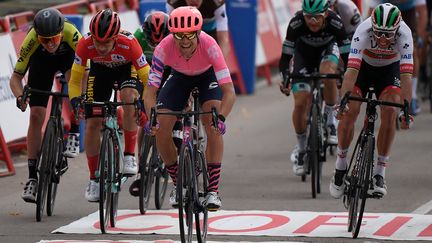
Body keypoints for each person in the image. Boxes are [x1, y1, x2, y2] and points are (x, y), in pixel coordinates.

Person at [144, 6, 236, 211]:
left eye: (189, 35)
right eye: (179, 36)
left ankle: (213, 190)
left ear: (198, 32)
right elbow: (150, 91)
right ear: (172, 34)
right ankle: (178, 185)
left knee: (211, 121)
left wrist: (221, 118)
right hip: (179, 77)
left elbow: (229, 92)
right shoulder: (163, 48)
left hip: (207, 76)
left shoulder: (210, 45)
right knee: (161, 127)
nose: (184, 41)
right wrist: (152, 118)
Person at [329, 3, 414, 199]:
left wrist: (405, 110)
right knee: (350, 110)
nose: (383, 39)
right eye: (379, 33)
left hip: (389, 70)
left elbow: (407, 75)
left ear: (397, 29)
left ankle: (379, 173)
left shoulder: (405, 34)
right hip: (363, 69)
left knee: (391, 110)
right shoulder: (363, 30)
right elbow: (351, 71)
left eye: (388, 34)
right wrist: (344, 102)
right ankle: (341, 166)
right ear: (373, 27)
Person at [68, 8, 150, 202]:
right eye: (97, 41)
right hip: (100, 72)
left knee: (129, 96)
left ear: (116, 37)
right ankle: (94, 179)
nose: (101, 46)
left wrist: (145, 105)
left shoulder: (129, 43)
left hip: (126, 70)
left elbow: (147, 79)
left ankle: (129, 154)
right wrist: (75, 100)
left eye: (105, 42)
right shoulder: (84, 44)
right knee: (93, 123)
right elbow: (74, 79)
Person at [9, 8, 82, 203]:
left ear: (61, 33)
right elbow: (15, 78)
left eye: (54, 39)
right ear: (38, 36)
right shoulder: (32, 38)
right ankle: (32, 177)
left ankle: (74, 131)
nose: (50, 44)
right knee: (36, 116)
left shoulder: (71, 32)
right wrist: (19, 96)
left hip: (68, 60)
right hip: (41, 64)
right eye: (45, 40)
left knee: (73, 85)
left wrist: (81, 97)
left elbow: (87, 68)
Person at [278, 0, 351, 176]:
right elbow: (286, 56)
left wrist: (347, 77)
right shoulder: (296, 23)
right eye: (308, 17)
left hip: (327, 51)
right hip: (303, 56)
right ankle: (302, 149)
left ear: (325, 13)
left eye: (316, 17)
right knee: (301, 102)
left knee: (328, 72)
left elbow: (347, 55)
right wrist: (285, 78)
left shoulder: (336, 22)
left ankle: (330, 121)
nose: (312, 21)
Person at [128, 11, 175, 197]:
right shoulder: (138, 36)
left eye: (159, 41)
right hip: (145, 72)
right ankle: (141, 170)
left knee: (170, 109)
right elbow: (131, 64)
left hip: (167, 71)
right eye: (152, 41)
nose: (155, 45)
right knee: (144, 119)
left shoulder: (173, 38)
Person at [368, 0, 427, 115]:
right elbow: (370, 15)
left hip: (408, 14)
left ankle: (413, 95)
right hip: (383, 14)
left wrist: (419, 37)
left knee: (413, 51)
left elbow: (422, 13)